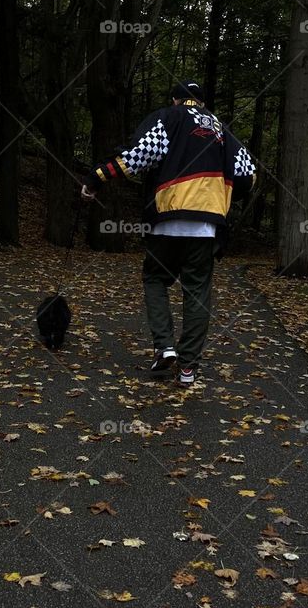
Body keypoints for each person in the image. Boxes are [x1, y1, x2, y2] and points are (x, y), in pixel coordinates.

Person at [81, 81, 255, 385]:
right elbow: (247, 175)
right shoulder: (222, 130)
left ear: (176, 100)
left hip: (168, 217)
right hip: (207, 223)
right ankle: (188, 368)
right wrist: (223, 192)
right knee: (197, 292)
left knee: (155, 278)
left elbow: (137, 156)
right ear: (200, 102)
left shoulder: (168, 117)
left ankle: (165, 347)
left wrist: (96, 177)